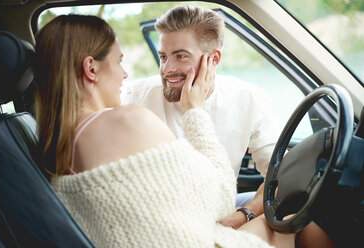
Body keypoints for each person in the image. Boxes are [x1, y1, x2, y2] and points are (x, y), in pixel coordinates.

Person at [33, 14, 334, 248]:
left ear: (213, 59)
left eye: (180, 56)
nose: (125, 73)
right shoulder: (127, 120)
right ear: (91, 68)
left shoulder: (56, 139)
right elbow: (219, 198)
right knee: (299, 223)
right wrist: (195, 111)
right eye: (119, 61)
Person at [121, 5, 279, 228]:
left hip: (219, 212)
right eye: (163, 56)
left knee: (296, 219)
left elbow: (280, 173)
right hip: (162, 225)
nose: (166, 69)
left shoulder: (247, 99)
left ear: (213, 58)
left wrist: (244, 214)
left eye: (181, 56)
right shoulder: (134, 97)